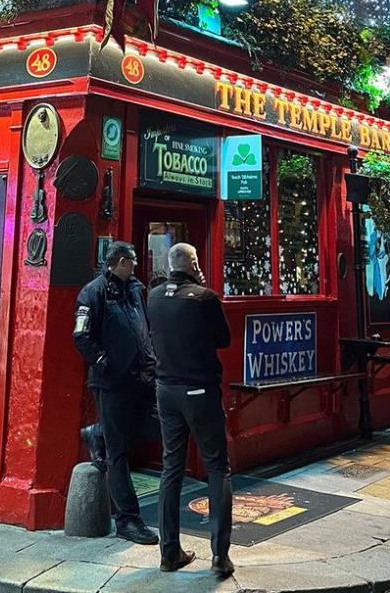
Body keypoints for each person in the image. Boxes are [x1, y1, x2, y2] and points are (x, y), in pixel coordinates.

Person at [148, 242, 234, 578]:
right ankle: (220, 555)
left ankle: (169, 552)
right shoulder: (206, 298)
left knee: (172, 467)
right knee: (217, 466)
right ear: (194, 263)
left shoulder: (152, 296)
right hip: (199, 390)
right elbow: (223, 340)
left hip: (165, 390)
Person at [73, 241, 159, 545]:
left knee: (152, 428)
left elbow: (142, 328)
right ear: (120, 262)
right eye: (132, 261)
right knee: (118, 452)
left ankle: (98, 433)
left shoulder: (136, 289)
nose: (136, 265)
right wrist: (102, 362)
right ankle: (127, 520)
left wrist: (151, 361)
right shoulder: (93, 292)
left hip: (141, 378)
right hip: (111, 382)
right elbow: (81, 335)